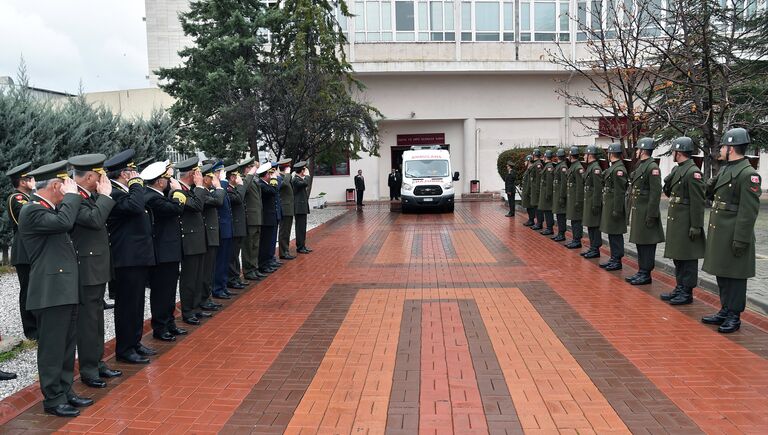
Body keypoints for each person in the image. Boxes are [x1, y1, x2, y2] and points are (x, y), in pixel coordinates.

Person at [18, 160, 93, 417]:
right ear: (56, 185)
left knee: (66, 344)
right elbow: (64, 223)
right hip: (50, 291)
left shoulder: (50, 209)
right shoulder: (32, 210)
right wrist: (73, 196)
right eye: (65, 185)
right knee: (52, 348)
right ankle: (52, 398)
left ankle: (65, 389)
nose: (69, 189)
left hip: (64, 288)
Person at [68, 154, 122, 389]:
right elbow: (95, 220)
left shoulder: (88, 196)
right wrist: (106, 196)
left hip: (97, 266)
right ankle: (89, 369)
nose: (103, 178)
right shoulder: (73, 199)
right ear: (90, 176)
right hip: (86, 268)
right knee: (88, 320)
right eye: (99, 174)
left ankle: (97, 362)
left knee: (97, 317)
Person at [702, 128, 762, 333]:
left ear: (731, 148)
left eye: (723, 147)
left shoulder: (748, 174)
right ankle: (725, 309)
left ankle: (734, 315)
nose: (720, 150)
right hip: (721, 232)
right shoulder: (727, 169)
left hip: (734, 233)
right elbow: (710, 192)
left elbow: (748, 212)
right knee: (723, 273)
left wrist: (741, 240)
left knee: (735, 277)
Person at [105, 150, 156, 364]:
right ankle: (125, 349)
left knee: (136, 304)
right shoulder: (115, 193)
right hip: (126, 259)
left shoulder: (126, 191)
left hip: (137, 257)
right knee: (126, 306)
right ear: (123, 174)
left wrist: (134, 185)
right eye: (132, 171)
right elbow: (136, 206)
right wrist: (136, 184)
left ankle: (134, 342)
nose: (136, 174)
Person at [142, 161, 188, 341]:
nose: (170, 182)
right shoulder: (152, 198)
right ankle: (160, 327)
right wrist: (178, 191)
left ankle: (169, 323)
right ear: (160, 182)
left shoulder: (156, 195)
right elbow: (176, 208)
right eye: (168, 179)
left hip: (168, 251)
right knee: (162, 292)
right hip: (162, 252)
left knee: (169, 291)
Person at [660, 137, 706, 305]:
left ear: (678, 152)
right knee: (678, 257)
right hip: (677, 220)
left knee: (688, 258)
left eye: (673, 151)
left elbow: (698, 201)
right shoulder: (679, 169)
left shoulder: (693, 172)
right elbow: (670, 193)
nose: (672, 153)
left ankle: (686, 292)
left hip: (686, 221)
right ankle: (680, 287)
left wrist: (696, 225)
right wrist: (668, 180)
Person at [175, 157, 211, 325]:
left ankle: (196, 307)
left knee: (198, 276)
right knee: (189, 279)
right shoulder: (179, 191)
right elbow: (197, 206)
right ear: (191, 174)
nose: (200, 176)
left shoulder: (190, 189)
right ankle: (188, 310)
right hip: (189, 241)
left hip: (198, 239)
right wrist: (201, 186)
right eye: (197, 173)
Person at [625, 138, 665, 286]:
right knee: (640, 243)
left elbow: (655, 194)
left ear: (643, 150)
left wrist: (651, 215)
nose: (636, 151)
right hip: (639, 211)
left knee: (647, 245)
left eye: (638, 149)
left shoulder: (652, 167)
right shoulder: (642, 165)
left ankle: (646, 273)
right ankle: (642, 271)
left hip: (647, 212)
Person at [5, 162, 36, 342]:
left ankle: (38, 323)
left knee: (36, 287)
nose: (33, 181)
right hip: (24, 251)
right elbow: (25, 219)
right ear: (23, 182)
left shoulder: (28, 196)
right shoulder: (16, 198)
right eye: (29, 178)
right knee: (28, 290)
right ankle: (31, 329)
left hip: (33, 249)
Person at [199, 163, 225, 311]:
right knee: (206, 270)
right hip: (207, 236)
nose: (214, 178)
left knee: (209, 270)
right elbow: (218, 201)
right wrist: (219, 187)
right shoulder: (202, 192)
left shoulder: (207, 191)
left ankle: (206, 297)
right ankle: (204, 299)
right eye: (211, 177)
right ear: (205, 179)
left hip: (211, 234)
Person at [599, 143, 628, 271]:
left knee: (615, 234)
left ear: (611, 154)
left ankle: (617, 260)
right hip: (610, 205)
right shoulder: (614, 167)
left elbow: (619, 191)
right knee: (612, 233)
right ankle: (613, 258)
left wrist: (617, 209)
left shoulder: (619, 169)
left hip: (614, 206)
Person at [213, 162, 236, 300]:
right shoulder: (216, 187)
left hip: (227, 228)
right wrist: (221, 181)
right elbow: (219, 202)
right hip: (221, 229)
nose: (224, 174)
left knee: (225, 259)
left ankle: (223, 285)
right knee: (220, 261)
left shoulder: (221, 186)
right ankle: (217, 288)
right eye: (221, 172)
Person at [225, 163, 248, 289]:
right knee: (232, 254)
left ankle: (235, 277)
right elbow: (238, 199)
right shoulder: (228, 190)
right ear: (232, 177)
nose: (239, 178)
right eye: (236, 175)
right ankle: (232, 279)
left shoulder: (232, 189)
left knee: (235, 253)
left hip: (238, 226)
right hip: (234, 226)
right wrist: (240, 185)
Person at [241, 159, 264, 281]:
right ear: (246, 169)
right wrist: (250, 175)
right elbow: (244, 189)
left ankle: (254, 268)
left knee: (255, 245)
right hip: (250, 218)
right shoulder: (245, 180)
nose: (254, 170)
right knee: (248, 246)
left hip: (257, 217)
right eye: (251, 168)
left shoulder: (254, 180)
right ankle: (248, 270)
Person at [581, 146, 603, 258]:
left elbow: (598, 188)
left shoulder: (595, 168)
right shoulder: (590, 167)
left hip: (593, 202)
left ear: (590, 155)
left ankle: (595, 248)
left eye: (585, 154)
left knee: (594, 226)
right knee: (590, 225)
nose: (584, 156)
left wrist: (596, 204)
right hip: (589, 200)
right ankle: (592, 247)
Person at [257, 163, 279, 274]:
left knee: (269, 242)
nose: (271, 176)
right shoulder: (262, 185)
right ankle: (263, 264)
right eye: (269, 174)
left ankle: (267, 262)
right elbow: (273, 191)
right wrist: (275, 180)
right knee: (265, 244)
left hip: (270, 218)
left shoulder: (265, 184)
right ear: (266, 175)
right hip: (266, 219)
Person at [565, 147, 585, 249]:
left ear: (571, 155)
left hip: (576, 199)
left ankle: (577, 240)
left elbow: (580, 186)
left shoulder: (578, 168)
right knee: (573, 219)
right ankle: (574, 239)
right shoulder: (573, 166)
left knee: (576, 220)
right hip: (572, 198)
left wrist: (578, 200)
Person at [292, 161, 313, 254]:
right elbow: (305, 183)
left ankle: (302, 245)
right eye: (304, 169)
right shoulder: (296, 179)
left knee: (302, 227)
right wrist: (308, 175)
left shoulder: (299, 178)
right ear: (302, 170)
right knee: (300, 227)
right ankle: (300, 247)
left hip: (302, 206)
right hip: (299, 207)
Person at [278, 159, 296, 260]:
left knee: (287, 231)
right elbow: (284, 185)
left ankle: (285, 250)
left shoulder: (285, 178)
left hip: (288, 208)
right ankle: (283, 252)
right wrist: (287, 174)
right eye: (288, 167)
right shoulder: (280, 178)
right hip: (284, 208)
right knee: (284, 232)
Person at [551, 149, 568, 241]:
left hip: (560, 195)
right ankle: (560, 233)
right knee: (558, 214)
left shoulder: (562, 167)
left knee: (561, 215)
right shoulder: (559, 166)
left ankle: (562, 234)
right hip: (557, 194)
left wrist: (562, 196)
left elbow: (563, 183)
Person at [538, 150, 555, 235]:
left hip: (547, 193)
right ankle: (548, 227)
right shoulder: (547, 166)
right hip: (545, 192)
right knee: (546, 211)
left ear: (545, 157)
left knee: (548, 211)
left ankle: (550, 228)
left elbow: (549, 182)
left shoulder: (549, 167)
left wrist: (548, 194)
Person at [530, 149, 544, 229]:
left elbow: (538, 178)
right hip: (534, 188)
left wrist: (538, 190)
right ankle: (538, 222)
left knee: (538, 207)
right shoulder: (535, 163)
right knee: (535, 206)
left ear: (534, 155)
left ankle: (539, 223)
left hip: (536, 189)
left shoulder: (538, 164)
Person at [520, 155, 535, 226]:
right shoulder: (528, 169)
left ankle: (531, 220)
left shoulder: (531, 169)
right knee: (528, 206)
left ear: (529, 161)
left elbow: (530, 182)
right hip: (526, 190)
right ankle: (530, 219)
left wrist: (528, 191)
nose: (524, 162)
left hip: (528, 191)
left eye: (525, 161)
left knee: (530, 206)